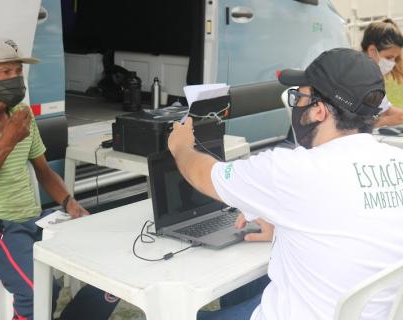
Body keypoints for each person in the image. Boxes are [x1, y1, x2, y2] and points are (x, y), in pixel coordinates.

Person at [168, 48, 403, 319]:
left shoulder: (292, 170)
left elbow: (202, 174)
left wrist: (181, 146)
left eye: (300, 96)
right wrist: (282, 223)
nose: (296, 104)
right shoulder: (396, 160)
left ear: (318, 111)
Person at [0, 37, 119, 320]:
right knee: (37, 289)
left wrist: (70, 203)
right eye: (5, 72)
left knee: (113, 264)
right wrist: (7, 141)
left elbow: (45, 171)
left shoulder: (21, 115)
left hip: (34, 221)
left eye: (18, 71)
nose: (15, 79)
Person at [361, 18, 403, 127]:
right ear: (372, 51)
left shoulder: (375, 80)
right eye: (389, 57)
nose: (392, 63)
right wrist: (386, 121)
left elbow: (385, 110)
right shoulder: (352, 79)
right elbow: (348, 126)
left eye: (395, 58)